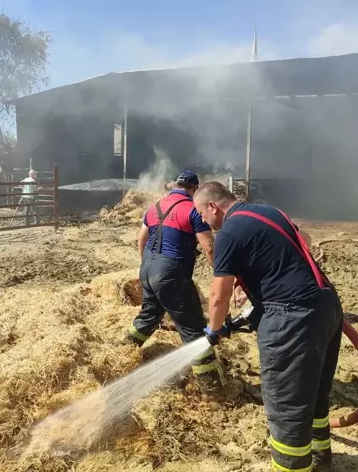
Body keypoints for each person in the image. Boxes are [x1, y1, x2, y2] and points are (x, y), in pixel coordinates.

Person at [193, 181, 343, 472]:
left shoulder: (227, 233)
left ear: (213, 206)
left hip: (291, 320)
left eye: (201, 213)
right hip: (326, 305)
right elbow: (306, 240)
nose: (202, 220)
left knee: (286, 408)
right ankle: (321, 463)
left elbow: (217, 296)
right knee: (313, 397)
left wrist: (213, 330)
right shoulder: (269, 212)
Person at [122, 171, 225, 391]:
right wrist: (221, 273)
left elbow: (141, 239)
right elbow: (208, 246)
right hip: (171, 275)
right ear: (195, 189)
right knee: (194, 329)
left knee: (149, 315)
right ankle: (212, 386)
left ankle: (123, 350)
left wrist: (148, 269)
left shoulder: (155, 207)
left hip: (148, 270)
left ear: (175, 186)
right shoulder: (193, 210)